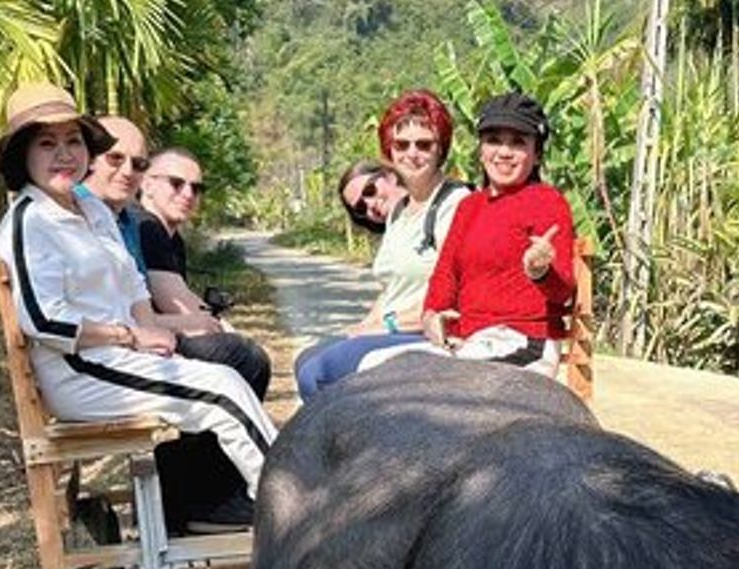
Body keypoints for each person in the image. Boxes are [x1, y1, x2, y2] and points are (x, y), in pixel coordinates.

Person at [0, 82, 273, 532]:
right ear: (23, 156)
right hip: (80, 369)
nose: (63, 154)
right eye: (46, 144)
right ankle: (287, 507)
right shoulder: (30, 221)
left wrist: (151, 334)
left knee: (229, 374)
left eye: (73, 141)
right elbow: (43, 320)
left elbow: (132, 284)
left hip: (120, 356)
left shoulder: (92, 211)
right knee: (220, 393)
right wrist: (128, 335)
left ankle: (254, 500)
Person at [297, 90, 472, 400]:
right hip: (394, 329)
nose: (412, 154)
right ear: (389, 152)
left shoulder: (455, 204)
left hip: (426, 332)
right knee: (306, 358)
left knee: (319, 373)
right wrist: (364, 326)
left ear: (441, 148)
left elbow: (456, 292)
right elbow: (391, 289)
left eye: (423, 144)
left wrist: (387, 326)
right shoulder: (400, 212)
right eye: (401, 145)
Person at [135, 147, 277, 526]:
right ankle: (204, 495)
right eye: (176, 183)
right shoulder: (147, 227)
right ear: (147, 183)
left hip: (151, 337)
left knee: (238, 353)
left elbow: (186, 306)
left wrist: (213, 324)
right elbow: (180, 305)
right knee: (241, 358)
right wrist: (222, 329)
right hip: (137, 344)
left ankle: (193, 483)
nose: (188, 194)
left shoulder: (167, 235)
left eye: (196, 188)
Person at [420, 91, 576, 376]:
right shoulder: (469, 206)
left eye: (518, 142)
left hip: (525, 339)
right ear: (481, 151)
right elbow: (446, 272)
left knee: (439, 380)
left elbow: (562, 292)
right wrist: (431, 314)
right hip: (467, 341)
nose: (504, 152)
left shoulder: (547, 202)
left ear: (537, 155)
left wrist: (540, 270)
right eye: (493, 140)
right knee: (377, 369)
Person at [78, 115, 149, 271]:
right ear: (89, 159)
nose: (128, 171)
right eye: (115, 158)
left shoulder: (128, 220)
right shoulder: (69, 210)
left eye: (138, 164)